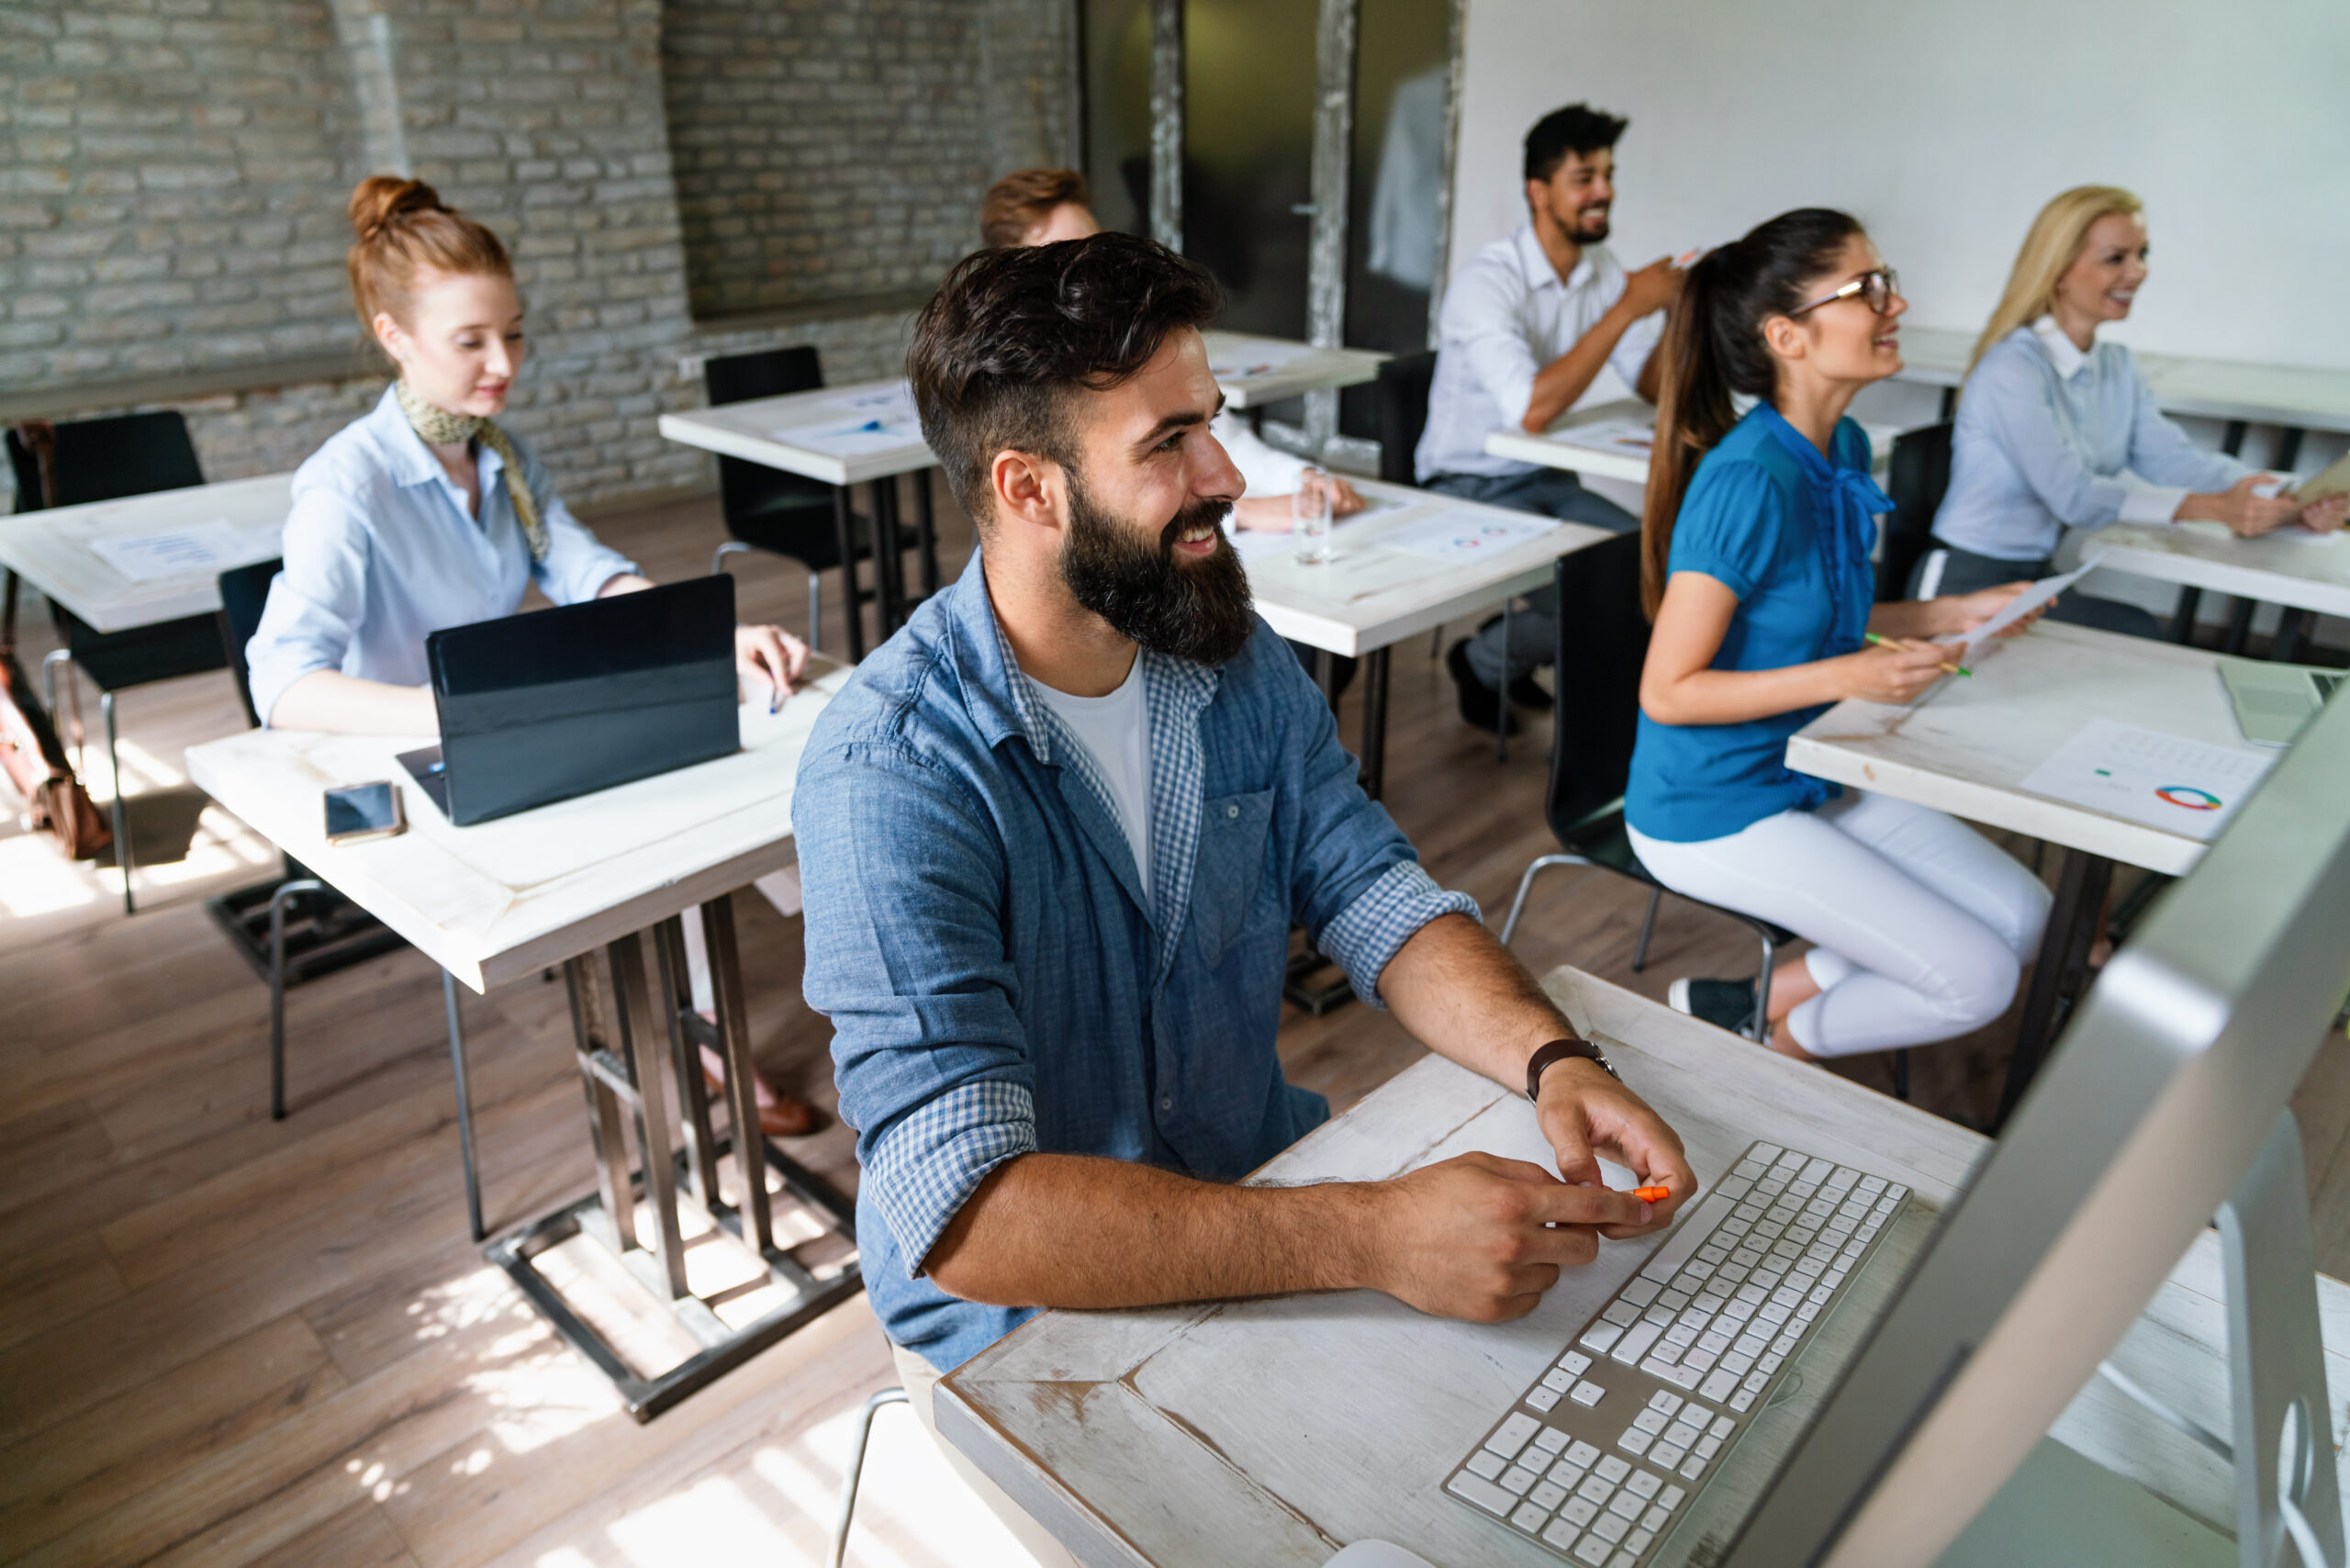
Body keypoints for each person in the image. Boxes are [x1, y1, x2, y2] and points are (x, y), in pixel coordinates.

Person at [794, 233, 1694, 1561]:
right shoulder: (894, 772)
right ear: (1028, 488)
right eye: (1168, 444)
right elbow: (967, 1217)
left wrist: (1549, 1056)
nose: (1225, 475)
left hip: (1265, 1202)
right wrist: (1374, 1232)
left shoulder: (1226, 653)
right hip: (1032, 1328)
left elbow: (1370, 886)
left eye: (1212, 426)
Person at [244, 175, 822, 1137]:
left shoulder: (501, 453)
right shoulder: (346, 487)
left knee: (716, 775)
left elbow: (581, 566)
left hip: (503, 729)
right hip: (406, 759)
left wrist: (704, 634)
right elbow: (283, 684)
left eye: (512, 333)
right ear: (394, 337)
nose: (503, 361)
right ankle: (715, 1029)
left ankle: (791, 991)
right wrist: (462, 711)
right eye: (470, 341)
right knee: (659, 804)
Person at [1624, 208, 2054, 1063]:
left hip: (1804, 764)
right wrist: (1851, 677)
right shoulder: (1748, 479)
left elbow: (1814, 623)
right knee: (1980, 979)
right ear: (1787, 335)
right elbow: (1668, 691)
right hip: (1710, 809)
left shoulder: (1844, 443)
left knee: (2026, 918)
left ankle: (1748, 1003)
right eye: (1868, 290)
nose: (1894, 305)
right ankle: (1787, 1051)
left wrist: (1950, 615)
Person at [1919, 186, 2347, 635]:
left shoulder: (2116, 367)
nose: (2138, 272)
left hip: (2036, 578)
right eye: (2115, 258)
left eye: (2142, 254)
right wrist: (2216, 509)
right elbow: (2075, 495)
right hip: (1963, 582)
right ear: (2059, 270)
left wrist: (2291, 499)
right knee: (2135, 631)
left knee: (2131, 633)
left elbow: (2175, 460)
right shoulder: (2013, 368)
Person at [1416, 103, 1684, 733]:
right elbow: (1530, 410)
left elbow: (1652, 386)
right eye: (1585, 178)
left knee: (1656, 575)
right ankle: (1488, 659)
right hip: (1466, 482)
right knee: (1602, 599)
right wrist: (1627, 308)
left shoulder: (1601, 273)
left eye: (1608, 176)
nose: (1604, 193)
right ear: (1540, 191)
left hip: (1548, 480)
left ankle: (1494, 650)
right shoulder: (1488, 281)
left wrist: (1674, 313)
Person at [979, 167, 1365, 535]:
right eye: (1062, 256)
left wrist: (1302, 478)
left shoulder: (1126, 334)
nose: (1089, 267)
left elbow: (1219, 436)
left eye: (1093, 247)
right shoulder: (1005, 377)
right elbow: (1099, 505)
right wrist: (1245, 513)